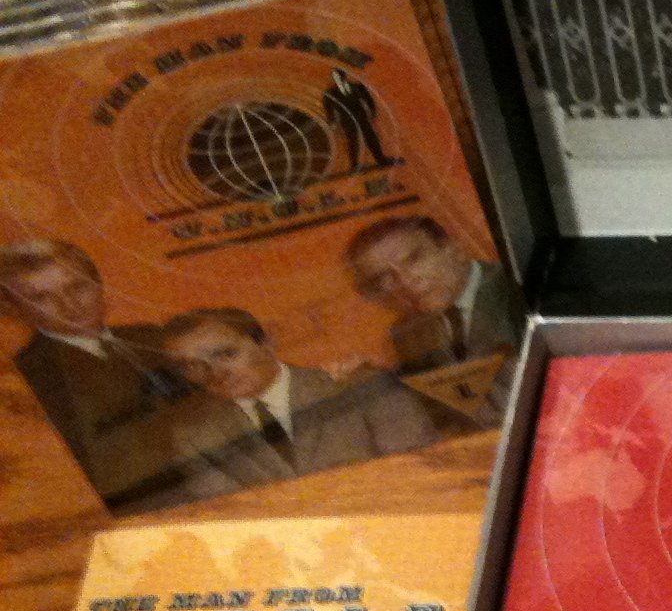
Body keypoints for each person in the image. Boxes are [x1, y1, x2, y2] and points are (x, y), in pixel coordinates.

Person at [159, 306, 460, 499]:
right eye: (192, 366)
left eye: (226, 354)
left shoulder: (360, 387)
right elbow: (231, 516)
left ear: (266, 343)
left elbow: (424, 473)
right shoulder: (194, 437)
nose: (215, 373)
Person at [0, 239, 185, 510]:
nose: (69, 305)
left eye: (77, 287)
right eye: (42, 298)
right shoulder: (27, 377)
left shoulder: (154, 338)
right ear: (14, 310)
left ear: (98, 283)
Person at [343, 214, 517, 376]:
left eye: (413, 259)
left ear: (455, 249)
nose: (404, 280)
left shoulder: (518, 287)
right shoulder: (406, 335)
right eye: (383, 278)